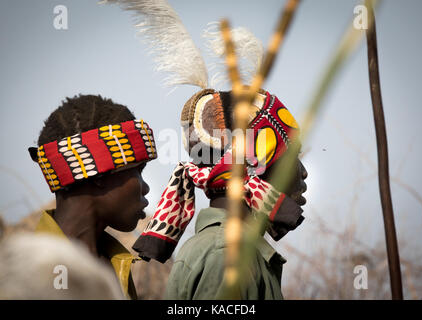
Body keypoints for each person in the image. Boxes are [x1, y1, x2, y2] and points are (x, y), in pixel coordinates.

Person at [132, 88, 308, 299]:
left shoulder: (230, 251)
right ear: (259, 162)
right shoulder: (226, 256)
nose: (303, 171)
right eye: (293, 154)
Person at [28, 94, 157, 299]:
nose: (146, 188)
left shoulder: (113, 262)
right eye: (138, 171)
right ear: (99, 174)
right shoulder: (33, 274)